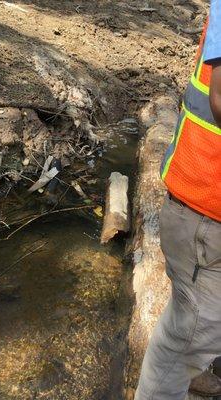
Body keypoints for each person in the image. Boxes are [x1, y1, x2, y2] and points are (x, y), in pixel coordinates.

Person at [134, 1, 221, 399]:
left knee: (194, 330)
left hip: (204, 208)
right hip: (205, 210)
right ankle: (178, 374)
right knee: (185, 339)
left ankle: (193, 365)